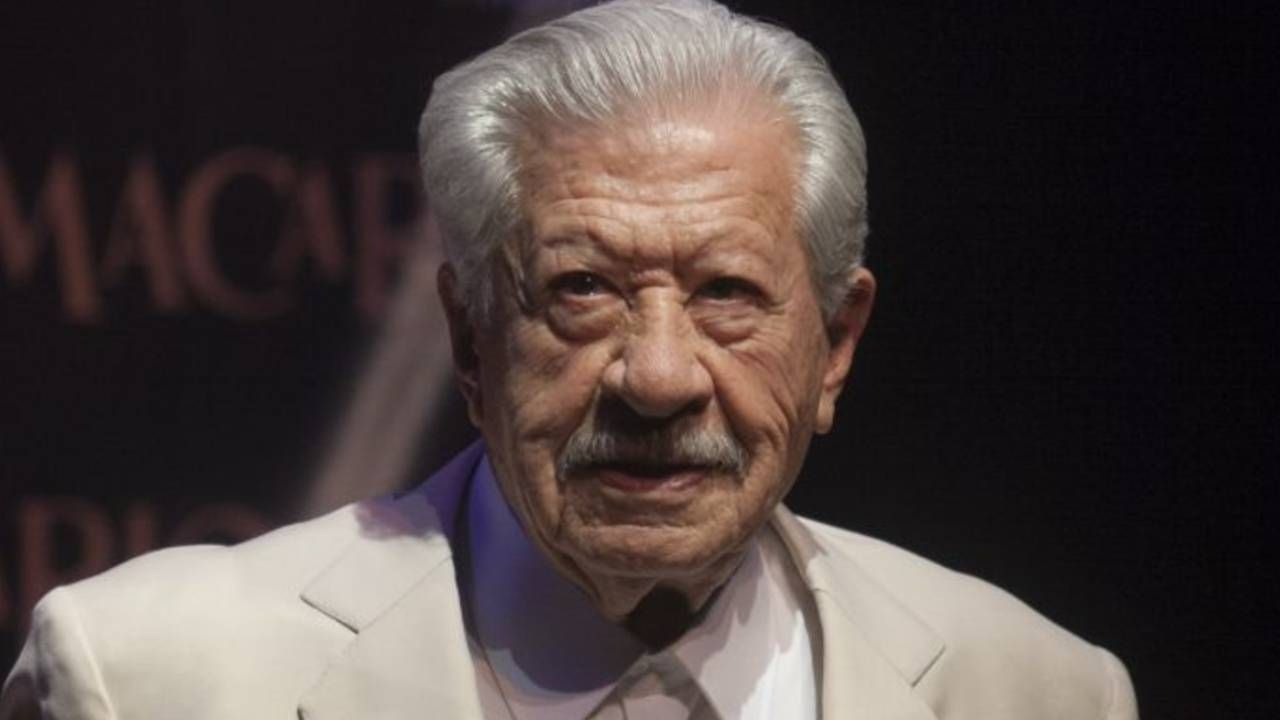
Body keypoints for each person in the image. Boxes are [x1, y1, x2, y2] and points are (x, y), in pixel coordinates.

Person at [1, 1, 1138, 717]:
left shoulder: (1035, 691)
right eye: (583, 289)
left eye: (726, 294)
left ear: (834, 345)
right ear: (469, 339)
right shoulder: (151, 679)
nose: (658, 378)